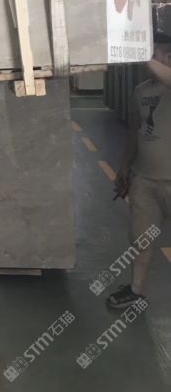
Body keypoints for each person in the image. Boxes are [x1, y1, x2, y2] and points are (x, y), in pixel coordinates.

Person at [106, 43, 171, 310]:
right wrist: (125, 168)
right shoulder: (140, 91)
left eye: (155, 54)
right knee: (141, 237)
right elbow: (135, 131)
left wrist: (137, 50)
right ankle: (135, 290)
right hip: (144, 179)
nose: (149, 59)